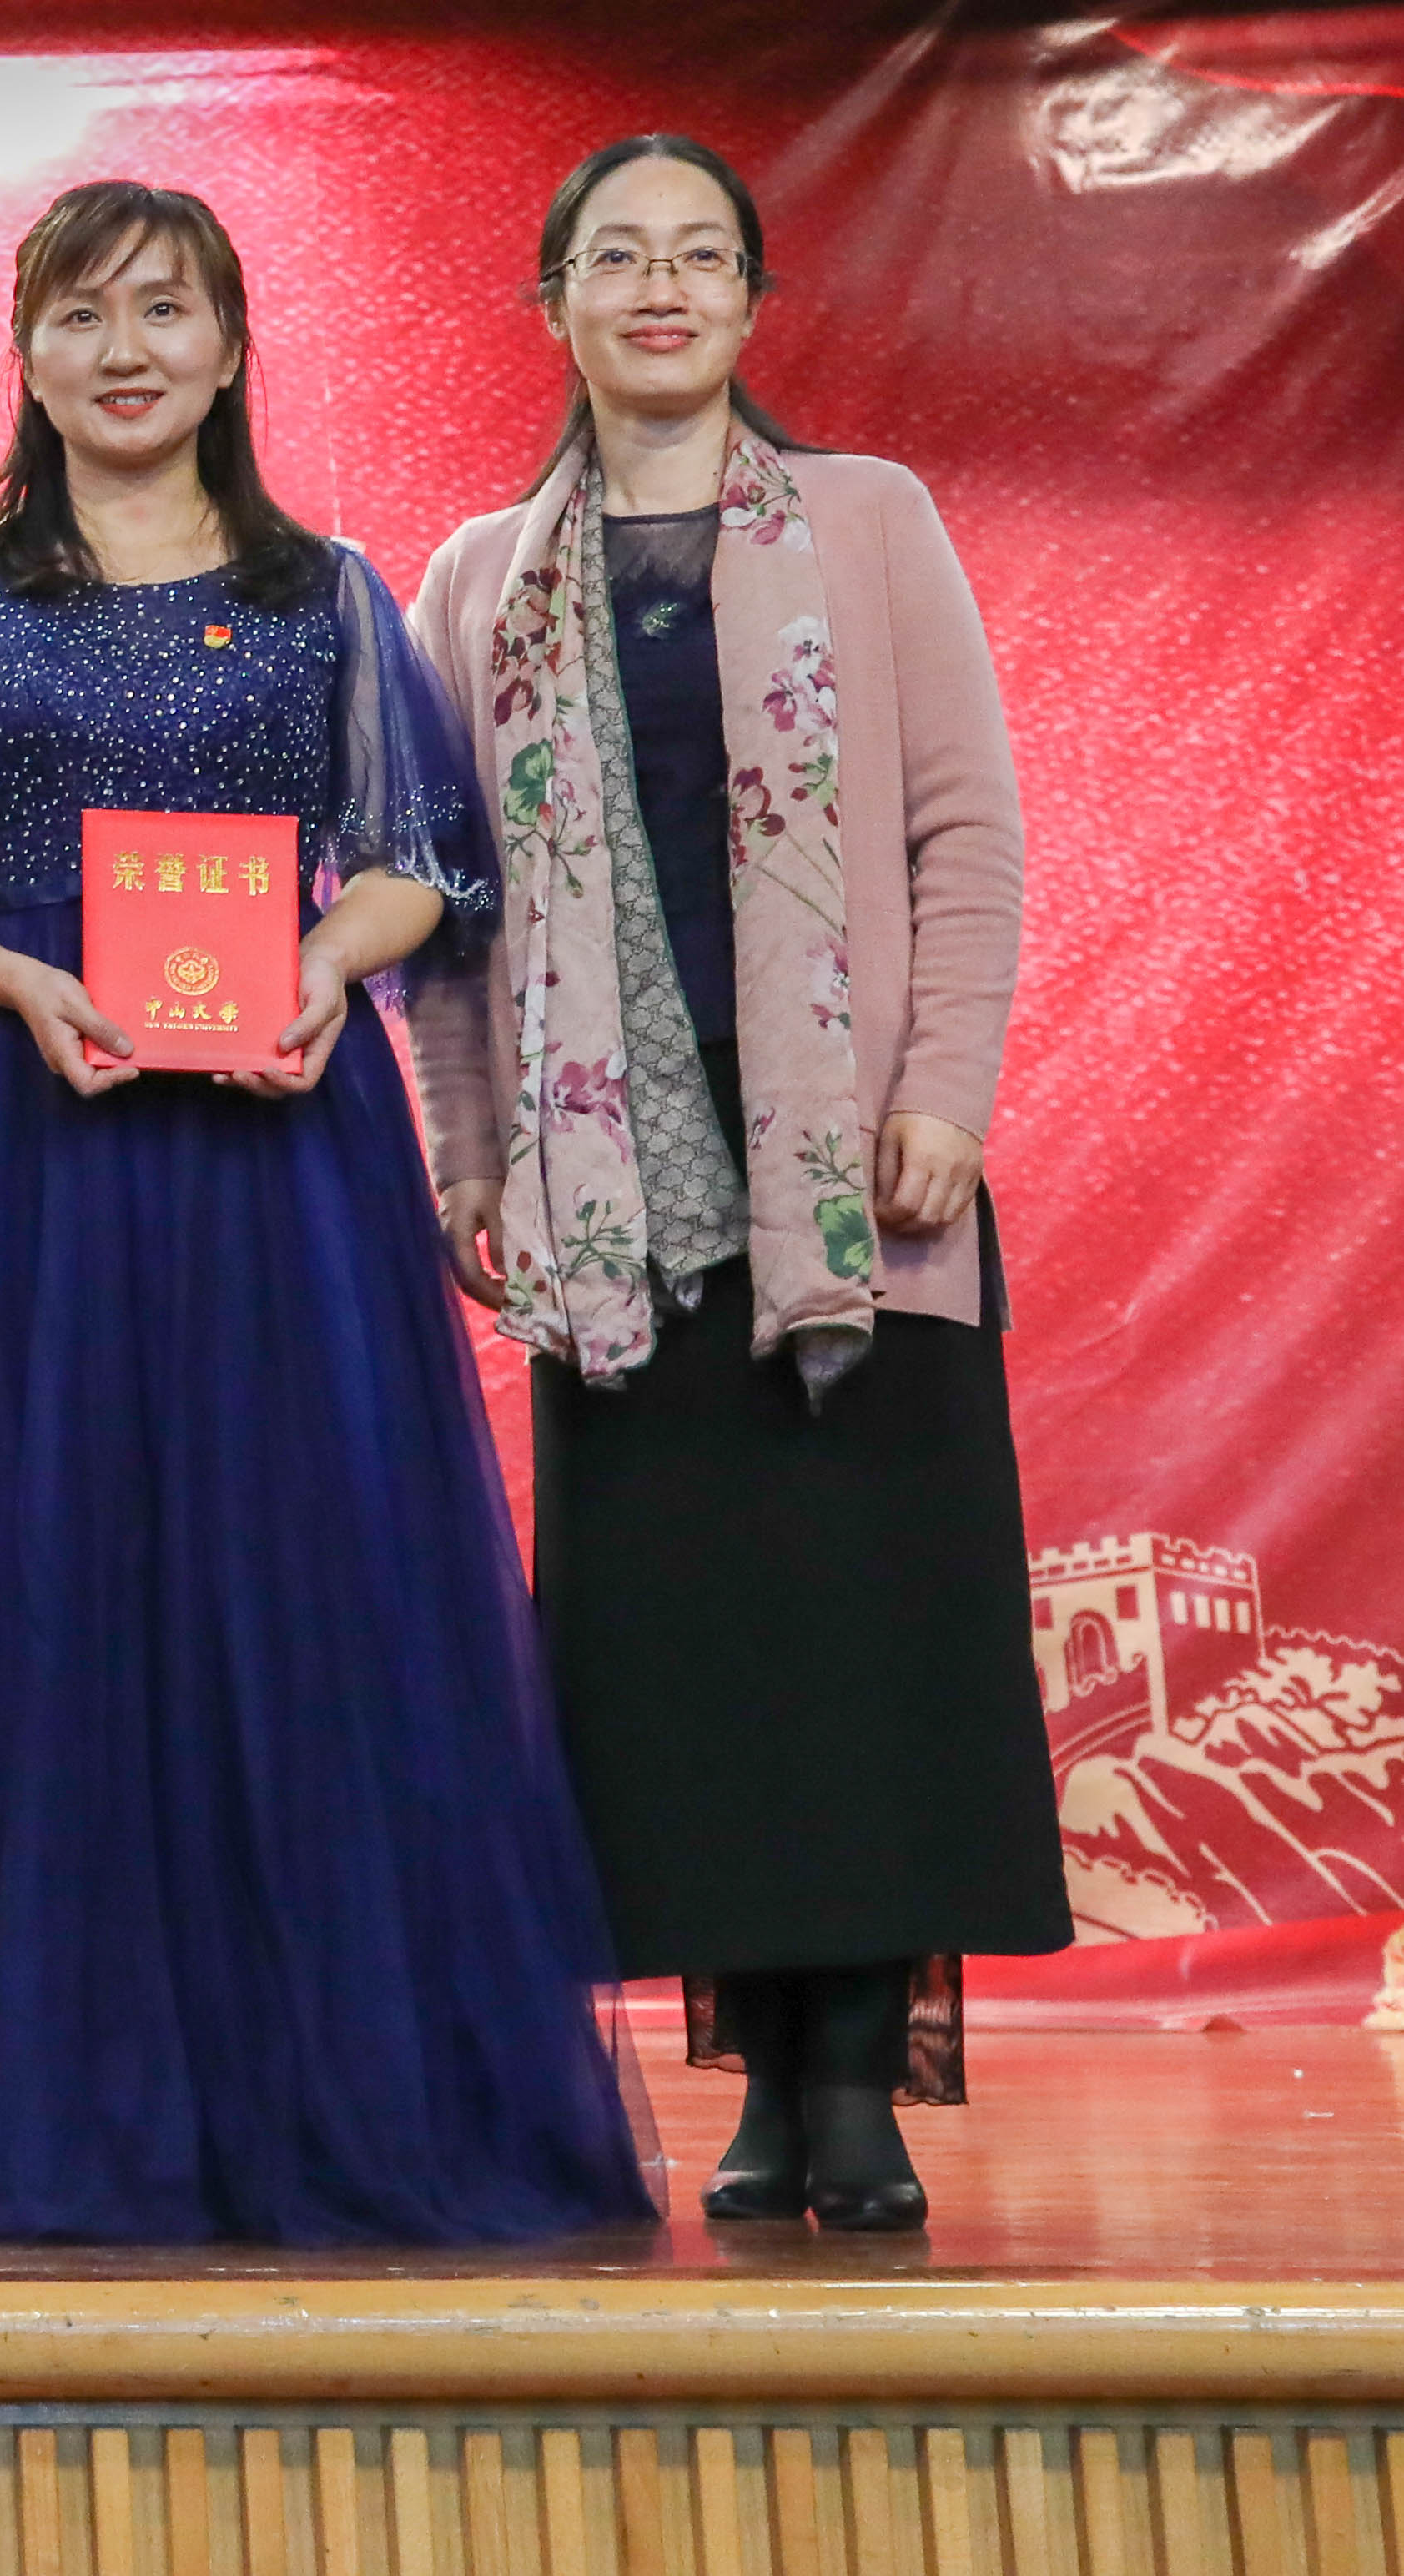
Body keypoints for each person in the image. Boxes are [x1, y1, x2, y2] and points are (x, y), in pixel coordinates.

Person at [0, 179, 648, 2246]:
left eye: (166, 310)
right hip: (22, 1135)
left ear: (234, 347)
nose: (127, 350)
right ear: (27, 352)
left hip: (278, 1139)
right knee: (35, 1597)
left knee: (311, 1597)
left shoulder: (325, 589)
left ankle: (326, 2095)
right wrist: (18, 978)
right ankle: (62, 2104)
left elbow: (421, 853)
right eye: (82, 314)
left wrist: (326, 962)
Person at [405, 135, 1062, 2237]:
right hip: (616, 1195)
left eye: (701, 254)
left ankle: (852, 2087)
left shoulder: (871, 518)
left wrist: (944, 1089)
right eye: (619, 255)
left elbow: (968, 827)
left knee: (869, 1642)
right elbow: (442, 918)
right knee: (690, 1667)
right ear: (556, 304)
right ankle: (757, 2090)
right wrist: (473, 1152)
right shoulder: (475, 577)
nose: (662, 285)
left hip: (858, 1180)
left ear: (755, 300)